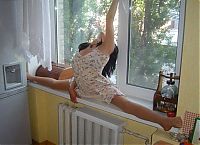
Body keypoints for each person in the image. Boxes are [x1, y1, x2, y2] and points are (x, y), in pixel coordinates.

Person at [28, 0, 182, 131]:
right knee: (55, 84)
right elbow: (80, 71)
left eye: (108, 36)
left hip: (98, 88)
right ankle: (29, 77)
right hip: (82, 86)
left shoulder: (105, 49)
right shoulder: (89, 48)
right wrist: (72, 86)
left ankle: (165, 121)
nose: (106, 34)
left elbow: (109, 19)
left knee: (127, 106)